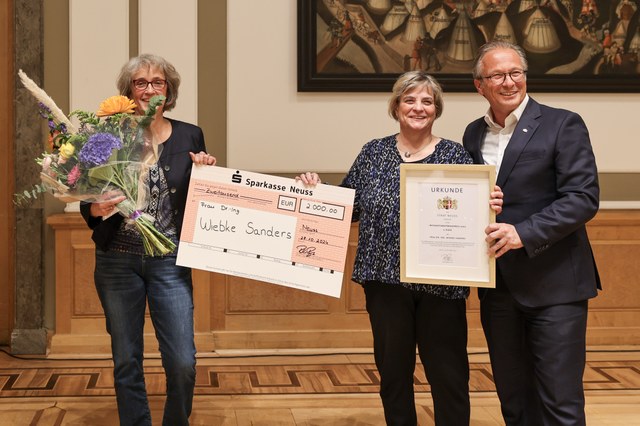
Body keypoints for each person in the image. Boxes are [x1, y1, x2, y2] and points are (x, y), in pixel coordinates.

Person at [298, 70, 503, 426]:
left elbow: (474, 214)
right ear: (396, 106)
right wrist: (317, 191)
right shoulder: (374, 152)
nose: (418, 107)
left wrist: (492, 202)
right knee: (393, 374)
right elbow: (350, 206)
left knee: (449, 375)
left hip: (442, 284)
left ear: (436, 109)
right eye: (409, 100)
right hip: (384, 283)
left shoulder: (456, 156)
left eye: (427, 101)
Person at [463, 41, 601, 426]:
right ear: (480, 85)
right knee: (514, 399)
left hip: (555, 285)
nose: (509, 82)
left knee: (560, 402)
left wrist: (523, 232)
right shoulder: (473, 135)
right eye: (497, 76)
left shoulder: (563, 123)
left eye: (516, 73)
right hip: (500, 288)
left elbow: (583, 197)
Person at [80, 53, 216, 426]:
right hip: (116, 263)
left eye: (158, 82)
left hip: (169, 260)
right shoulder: (108, 137)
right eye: (141, 83)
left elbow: (199, 196)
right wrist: (94, 210)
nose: (149, 89)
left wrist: (206, 174)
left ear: (169, 90)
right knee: (126, 359)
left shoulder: (190, 134)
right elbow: (87, 198)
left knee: (182, 363)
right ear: (128, 91)